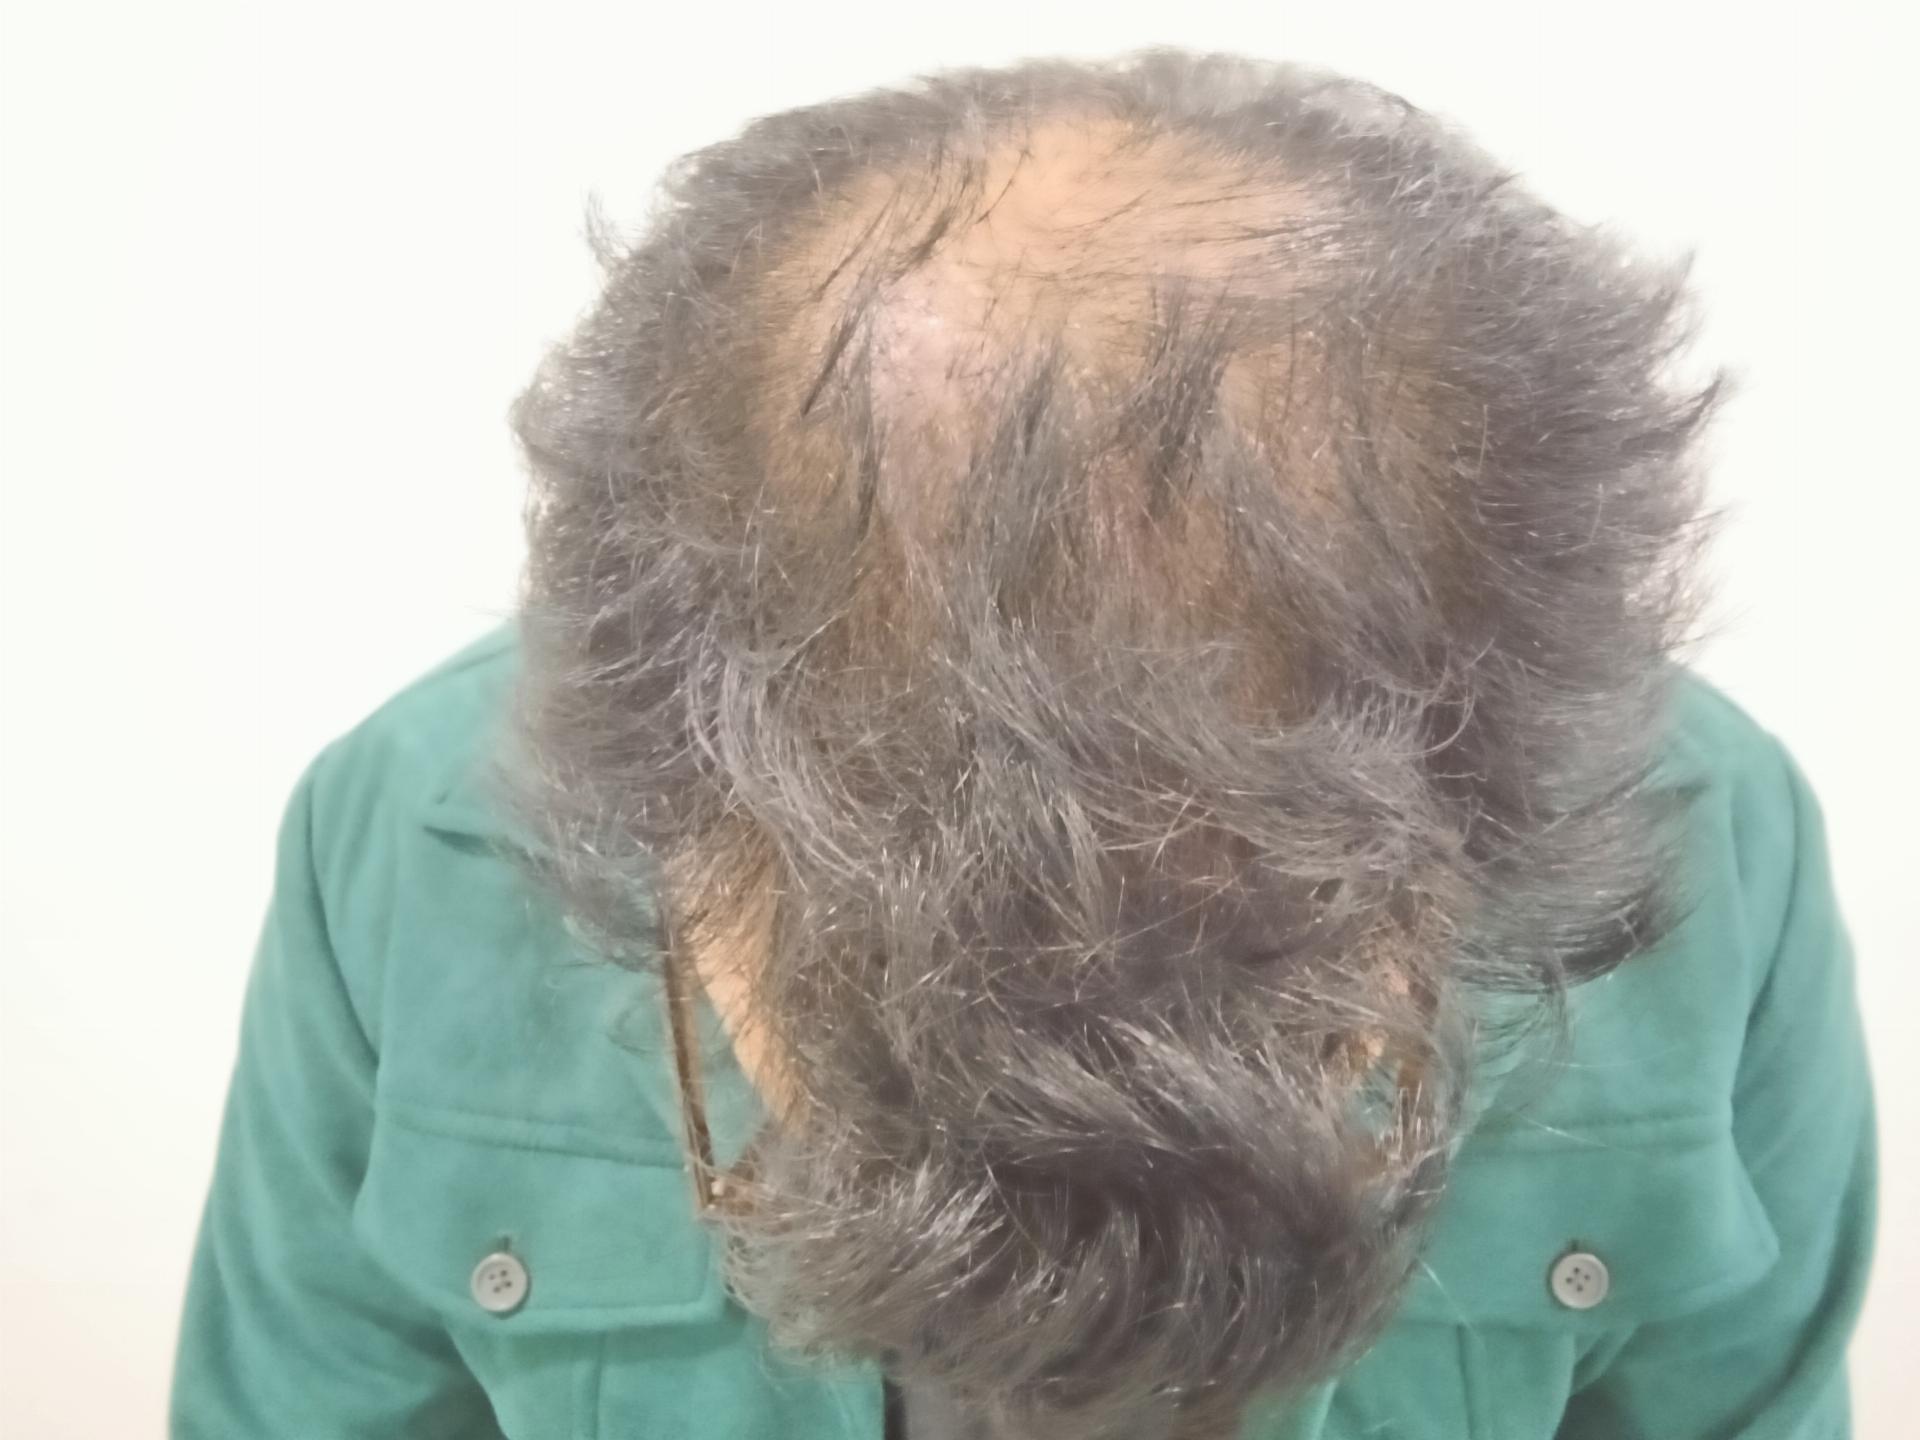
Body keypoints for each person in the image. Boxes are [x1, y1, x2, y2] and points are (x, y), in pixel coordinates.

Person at [169, 48, 1875, 1440]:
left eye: (1265, 993)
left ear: (1493, 811)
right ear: (676, 802)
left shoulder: (1705, 844)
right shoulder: (411, 840)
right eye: (899, 1031)